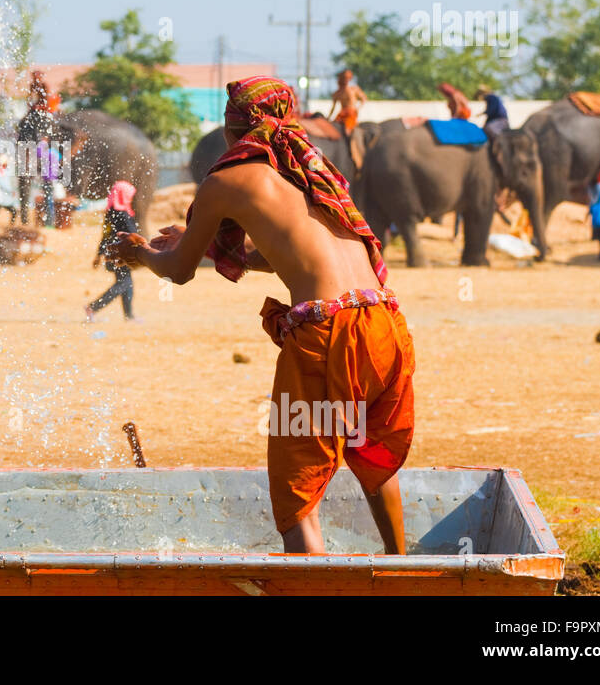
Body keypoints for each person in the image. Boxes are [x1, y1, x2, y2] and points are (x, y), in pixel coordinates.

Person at [107, 76, 415, 554]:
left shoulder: (226, 179)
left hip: (326, 334)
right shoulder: (308, 169)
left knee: (297, 498)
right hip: (383, 323)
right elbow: (292, 254)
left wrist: (143, 254)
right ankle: (407, 572)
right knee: (370, 456)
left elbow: (179, 271)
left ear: (231, 130)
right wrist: (208, 251)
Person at [86, 181, 139, 322]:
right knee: (124, 283)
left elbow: (105, 236)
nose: (131, 198)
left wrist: (98, 255)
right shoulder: (123, 214)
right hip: (122, 254)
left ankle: (129, 316)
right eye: (129, 195)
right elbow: (133, 235)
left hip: (112, 253)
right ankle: (93, 307)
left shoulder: (111, 214)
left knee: (126, 282)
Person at [326, 70, 367, 134]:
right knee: (332, 128)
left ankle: (352, 143)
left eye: (348, 78)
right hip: (342, 113)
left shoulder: (354, 89)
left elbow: (364, 98)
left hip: (351, 113)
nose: (346, 79)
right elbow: (333, 107)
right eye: (344, 78)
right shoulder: (337, 93)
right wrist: (328, 118)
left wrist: (358, 108)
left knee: (347, 130)